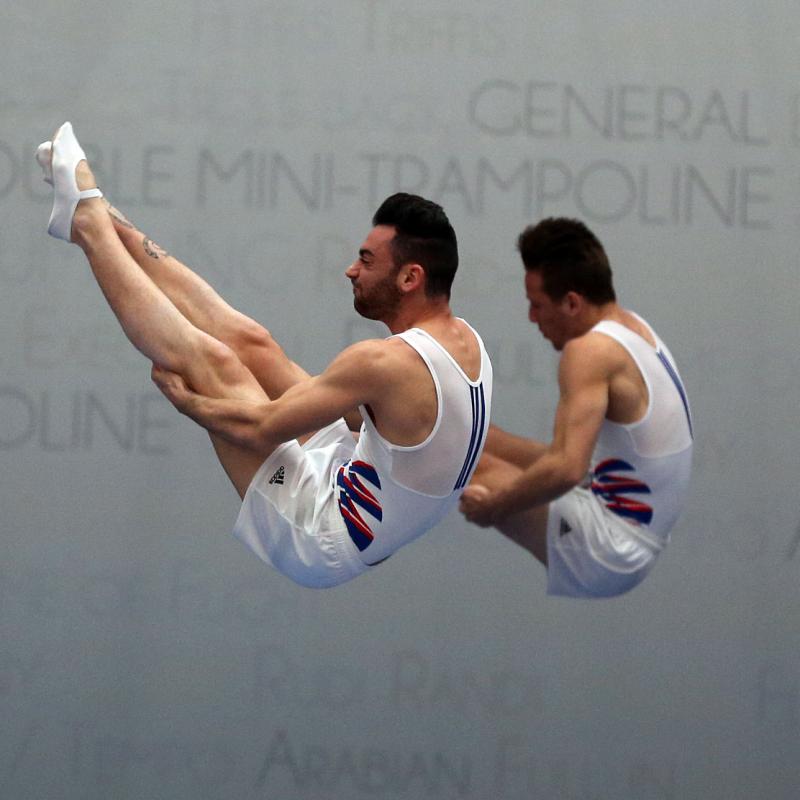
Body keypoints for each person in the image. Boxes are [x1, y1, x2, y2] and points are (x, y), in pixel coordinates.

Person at [37, 122, 492, 588]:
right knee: (253, 341)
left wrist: (188, 401)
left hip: (320, 535)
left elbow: (258, 431)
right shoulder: (467, 343)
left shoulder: (384, 363)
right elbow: (407, 448)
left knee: (213, 364)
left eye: (367, 261)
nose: (350, 270)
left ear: (410, 278)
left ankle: (88, 227)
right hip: (358, 476)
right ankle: (99, 208)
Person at [459, 217, 692, 598]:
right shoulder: (634, 328)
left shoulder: (589, 351)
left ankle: (358, 439)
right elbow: (567, 462)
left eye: (537, 305)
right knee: (480, 435)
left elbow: (566, 468)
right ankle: (360, 417)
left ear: (571, 302)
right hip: (625, 515)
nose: (532, 318)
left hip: (612, 548)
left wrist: (494, 510)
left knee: (463, 461)